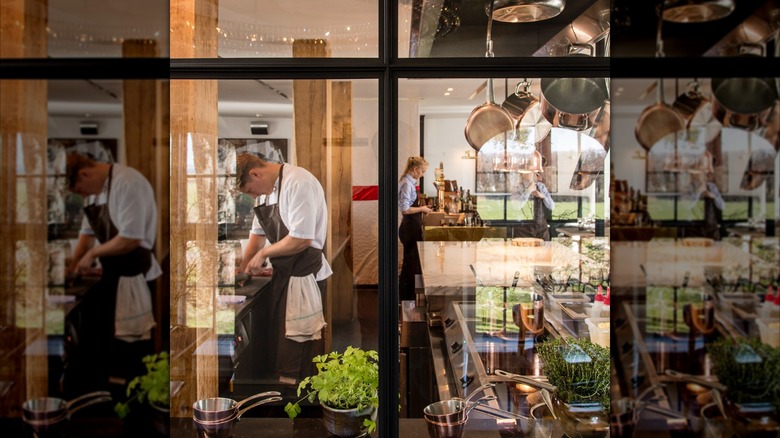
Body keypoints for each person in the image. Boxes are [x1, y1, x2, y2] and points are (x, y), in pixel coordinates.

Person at [64, 153, 161, 397]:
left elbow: (130, 238)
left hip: (133, 274)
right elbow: (86, 236)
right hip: (112, 275)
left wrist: (94, 252)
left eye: (80, 190)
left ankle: (133, 398)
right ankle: (99, 394)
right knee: (102, 341)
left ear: (85, 174)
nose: (84, 196)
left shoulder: (127, 183)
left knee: (132, 347)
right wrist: (73, 266)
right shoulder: (97, 190)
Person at [236, 153, 331, 386]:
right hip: (284, 278)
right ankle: (285, 403)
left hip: (303, 276)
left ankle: (303, 412)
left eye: (250, 190)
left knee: (299, 351)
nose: (253, 196)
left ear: (255, 173)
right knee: (282, 350)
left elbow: (302, 239)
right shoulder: (266, 194)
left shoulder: (299, 182)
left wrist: (263, 255)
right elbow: (256, 237)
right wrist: (242, 271)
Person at [398, 156, 433, 301]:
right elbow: (405, 209)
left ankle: (408, 295)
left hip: (411, 226)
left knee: (410, 261)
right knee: (410, 261)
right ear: (415, 169)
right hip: (410, 227)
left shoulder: (408, 182)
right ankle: (408, 297)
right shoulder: (407, 183)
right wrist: (422, 209)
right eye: (422, 171)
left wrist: (422, 208)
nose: (422, 174)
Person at [513, 171, 554, 241]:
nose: (529, 173)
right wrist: (528, 191)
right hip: (523, 230)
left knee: (544, 251)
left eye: (532, 171)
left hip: (541, 230)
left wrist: (543, 196)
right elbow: (516, 206)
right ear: (522, 174)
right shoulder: (517, 188)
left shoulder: (541, 187)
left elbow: (552, 206)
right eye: (527, 171)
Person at [684, 170, 723, 240]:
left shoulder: (712, 187)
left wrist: (713, 196)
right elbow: (688, 206)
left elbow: (722, 206)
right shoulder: (689, 188)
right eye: (695, 174)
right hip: (694, 228)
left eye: (700, 173)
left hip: (711, 228)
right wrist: (698, 192)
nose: (697, 176)